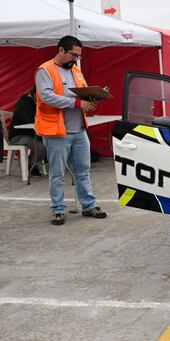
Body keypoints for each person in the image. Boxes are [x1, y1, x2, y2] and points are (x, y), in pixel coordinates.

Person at [35, 35, 107, 225]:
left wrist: (92, 100)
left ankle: (88, 206)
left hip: (79, 130)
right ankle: (57, 210)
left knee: (83, 171)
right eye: (73, 54)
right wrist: (77, 103)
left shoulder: (76, 71)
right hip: (57, 131)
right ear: (60, 50)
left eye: (78, 56)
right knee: (57, 173)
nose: (76, 59)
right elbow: (46, 97)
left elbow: (83, 92)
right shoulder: (45, 70)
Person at [8, 86, 47, 176]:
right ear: (34, 94)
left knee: (49, 143)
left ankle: (32, 163)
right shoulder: (25, 102)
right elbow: (29, 119)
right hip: (18, 136)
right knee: (42, 147)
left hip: (30, 134)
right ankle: (31, 164)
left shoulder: (34, 102)